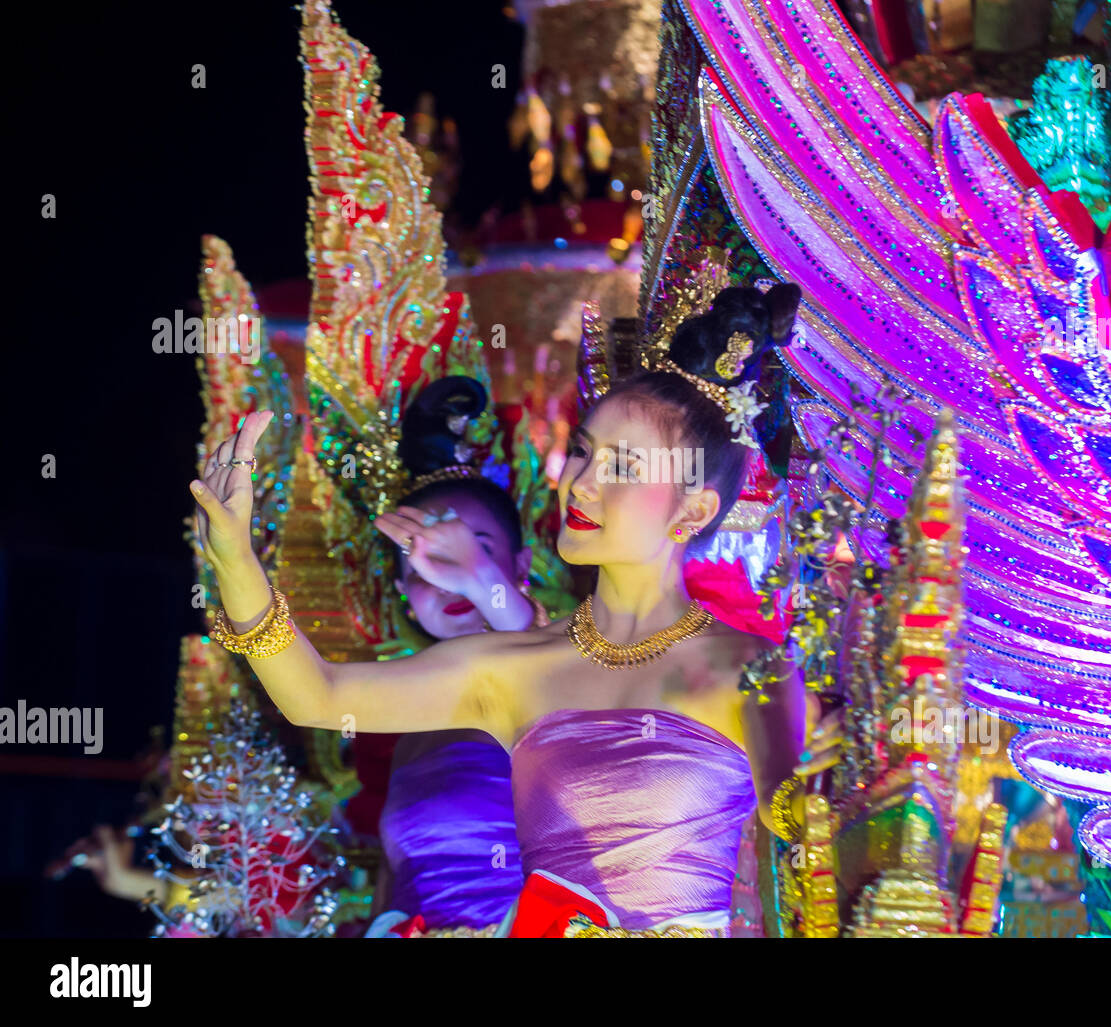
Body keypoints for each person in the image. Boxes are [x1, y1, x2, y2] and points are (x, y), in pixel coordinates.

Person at [191, 285, 843, 936]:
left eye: (621, 466)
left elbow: (798, 818)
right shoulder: (510, 668)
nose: (581, 482)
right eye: (584, 451)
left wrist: (835, 758)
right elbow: (318, 695)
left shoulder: (746, 667)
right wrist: (236, 562)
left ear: (693, 509)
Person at [361, 376, 544, 937]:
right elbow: (395, 886)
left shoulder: (562, 665)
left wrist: (482, 581)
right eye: (421, 569)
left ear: (519, 564)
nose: (447, 582)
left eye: (473, 556)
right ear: (400, 592)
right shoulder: (409, 714)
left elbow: (526, 643)